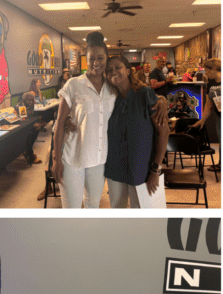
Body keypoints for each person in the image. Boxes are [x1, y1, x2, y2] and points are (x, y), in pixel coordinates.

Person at [53, 33, 166, 210]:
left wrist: (161, 100)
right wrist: (55, 158)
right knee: (79, 209)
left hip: (114, 162)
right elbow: (61, 121)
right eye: (91, 58)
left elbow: (140, 97)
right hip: (87, 160)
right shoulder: (81, 86)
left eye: (100, 58)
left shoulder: (118, 88)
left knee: (101, 207)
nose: (96, 63)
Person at [104, 55, 170, 209]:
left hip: (141, 166)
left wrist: (155, 169)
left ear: (128, 71)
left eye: (117, 67)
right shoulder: (109, 98)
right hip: (115, 165)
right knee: (117, 208)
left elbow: (164, 132)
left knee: (141, 210)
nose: (113, 72)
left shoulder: (145, 94)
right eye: (109, 70)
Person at [189, 59, 220, 173]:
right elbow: (209, 104)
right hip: (219, 117)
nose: (205, 73)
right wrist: (202, 120)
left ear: (213, 69)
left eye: (206, 70)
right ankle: (221, 164)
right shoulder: (211, 83)